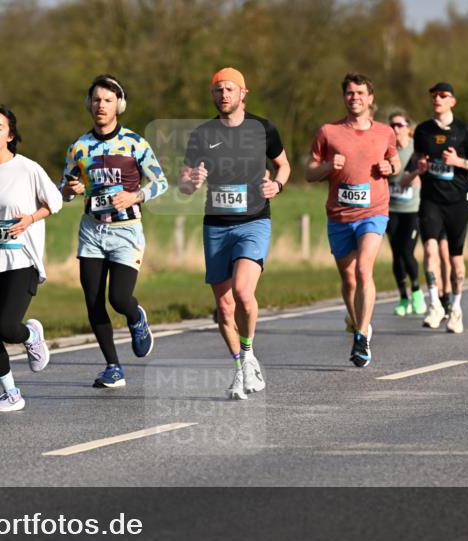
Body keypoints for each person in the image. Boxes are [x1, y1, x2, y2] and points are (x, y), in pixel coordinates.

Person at [179, 68, 290, 400]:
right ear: (212, 95)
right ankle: (241, 367)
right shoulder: (202, 134)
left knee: (243, 292)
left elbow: (284, 164)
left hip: (253, 221)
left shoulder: (263, 128)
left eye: (230, 89)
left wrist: (278, 185)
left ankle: (250, 354)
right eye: (218, 90)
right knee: (224, 307)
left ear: (244, 93)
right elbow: (184, 183)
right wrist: (192, 183)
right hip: (216, 225)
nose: (223, 95)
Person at [60, 74, 168, 388]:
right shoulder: (78, 147)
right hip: (92, 232)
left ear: (118, 105)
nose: (101, 106)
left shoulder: (135, 143)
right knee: (93, 301)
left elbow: (160, 182)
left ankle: (136, 318)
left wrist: (136, 195)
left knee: (119, 298)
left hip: (126, 231)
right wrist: (70, 188)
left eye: (107, 100)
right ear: (88, 105)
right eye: (96, 100)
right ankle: (113, 367)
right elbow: (64, 190)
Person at [0, 105, 62, 412]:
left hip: (22, 260)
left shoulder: (27, 169)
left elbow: (54, 202)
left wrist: (30, 219)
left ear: (11, 134)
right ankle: (11, 393)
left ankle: (31, 334)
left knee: (6, 327)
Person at [306, 73, 399, 367]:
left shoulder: (385, 132)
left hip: (374, 212)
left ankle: (361, 336)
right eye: (349, 93)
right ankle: (357, 320)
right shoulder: (328, 132)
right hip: (339, 215)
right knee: (348, 280)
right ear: (344, 97)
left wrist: (390, 167)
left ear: (370, 98)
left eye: (360, 93)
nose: (354, 97)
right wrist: (326, 167)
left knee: (363, 270)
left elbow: (395, 161)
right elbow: (309, 173)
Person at [408, 82, 468, 333]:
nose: (437, 99)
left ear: (453, 101)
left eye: (443, 95)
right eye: (433, 95)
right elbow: (418, 158)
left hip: (457, 202)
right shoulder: (422, 130)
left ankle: (456, 309)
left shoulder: (464, 130)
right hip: (431, 200)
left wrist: (457, 161)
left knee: (456, 261)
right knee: (430, 251)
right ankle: (434, 305)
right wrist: (420, 165)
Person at [385, 111, 425, 317]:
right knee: (396, 255)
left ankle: (417, 291)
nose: (395, 129)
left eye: (400, 125)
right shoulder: (386, 149)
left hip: (413, 210)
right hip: (391, 210)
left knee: (407, 251)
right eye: (392, 125)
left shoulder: (416, 148)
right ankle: (403, 298)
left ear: (408, 128)